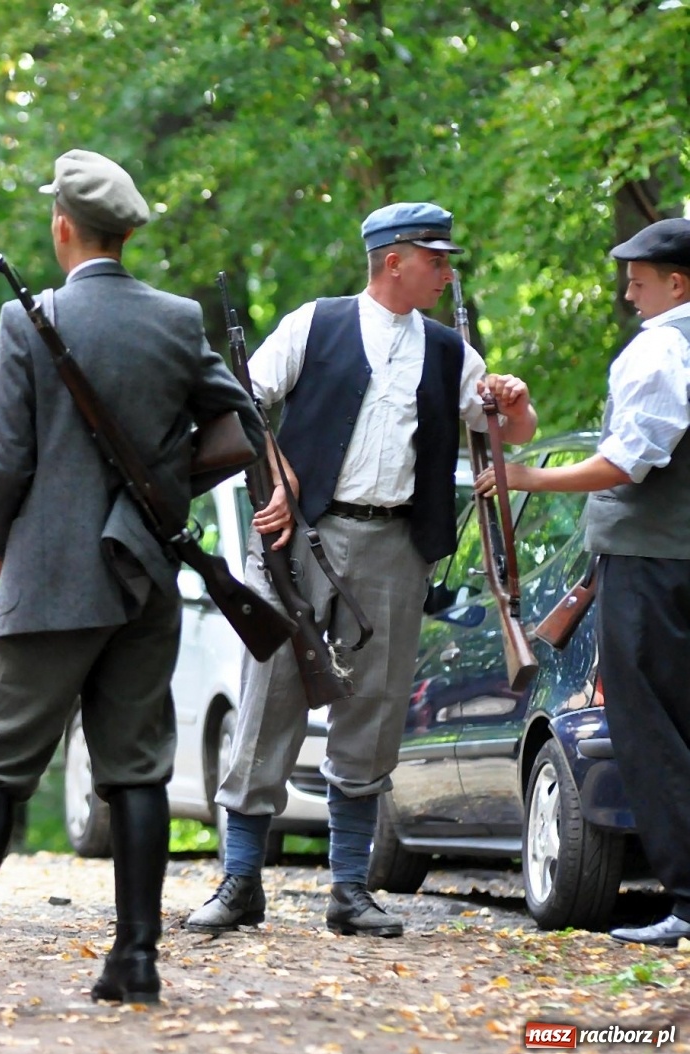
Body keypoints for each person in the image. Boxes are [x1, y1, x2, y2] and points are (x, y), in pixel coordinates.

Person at [0, 149, 263, 1011]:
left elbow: (5, 462)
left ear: (62, 227)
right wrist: (159, 489)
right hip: (144, 572)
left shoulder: (28, 319)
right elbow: (243, 420)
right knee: (137, 769)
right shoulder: (177, 318)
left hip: (49, 577)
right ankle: (136, 960)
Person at [185, 202, 537, 939]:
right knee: (269, 699)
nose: (447, 272)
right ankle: (240, 881)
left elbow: (507, 433)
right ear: (393, 260)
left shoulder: (449, 353)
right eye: (436, 259)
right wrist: (278, 476)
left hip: (395, 546)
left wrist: (516, 403)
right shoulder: (315, 322)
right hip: (296, 539)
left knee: (373, 711)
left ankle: (350, 889)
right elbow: (239, 400)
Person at [474, 217, 690, 948]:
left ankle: (688, 901)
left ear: (677, 283)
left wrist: (526, 475)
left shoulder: (661, 349)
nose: (628, 290)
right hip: (671, 564)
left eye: (639, 277)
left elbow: (628, 463)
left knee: (653, 730)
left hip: (651, 568)